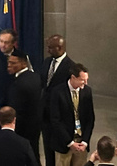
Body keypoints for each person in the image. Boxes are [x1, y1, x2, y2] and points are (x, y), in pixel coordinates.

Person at [48, 63, 94, 166]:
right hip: (64, 143)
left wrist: (85, 141)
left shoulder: (87, 92)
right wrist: (70, 142)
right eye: (83, 80)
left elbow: (90, 118)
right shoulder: (57, 92)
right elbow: (55, 120)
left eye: (86, 79)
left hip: (81, 143)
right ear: (73, 77)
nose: (85, 83)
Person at [41, 34, 75, 166]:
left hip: (60, 118)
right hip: (45, 116)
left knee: (61, 154)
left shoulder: (70, 67)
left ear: (59, 47)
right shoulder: (46, 62)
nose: (48, 50)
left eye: (50, 48)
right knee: (48, 151)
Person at [5, 49, 41, 157]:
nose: (9, 65)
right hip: (35, 126)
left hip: (22, 128)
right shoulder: (35, 77)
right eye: (9, 62)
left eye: (13, 63)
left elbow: (16, 109)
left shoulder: (19, 84)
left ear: (23, 63)